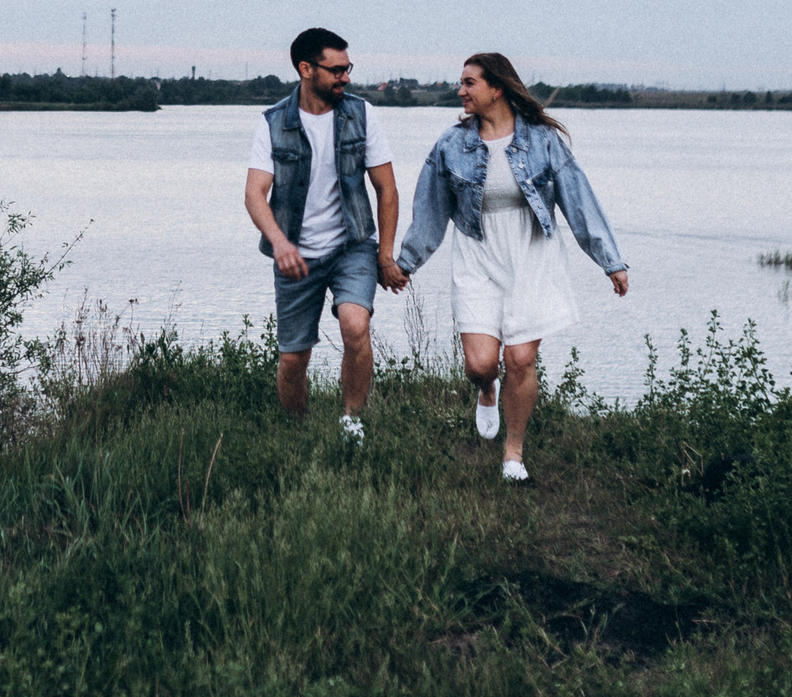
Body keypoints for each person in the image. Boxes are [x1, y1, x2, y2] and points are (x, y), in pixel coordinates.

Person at [389, 52, 628, 482]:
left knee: (520, 359)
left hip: (532, 255)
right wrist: (406, 262)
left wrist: (610, 262)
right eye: (461, 83)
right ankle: (486, 388)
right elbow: (429, 210)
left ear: (496, 88)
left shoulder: (542, 141)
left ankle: (513, 455)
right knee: (481, 364)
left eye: (469, 83)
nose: (460, 91)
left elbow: (578, 200)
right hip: (477, 255)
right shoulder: (451, 145)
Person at [243, 27, 400, 443]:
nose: (345, 77)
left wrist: (385, 254)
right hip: (295, 254)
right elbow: (255, 194)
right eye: (336, 70)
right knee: (294, 359)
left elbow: (386, 189)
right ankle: (297, 433)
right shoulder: (274, 124)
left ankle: (352, 422)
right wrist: (279, 243)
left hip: (352, 245)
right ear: (306, 69)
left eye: (348, 69)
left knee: (355, 325)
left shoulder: (362, 115)